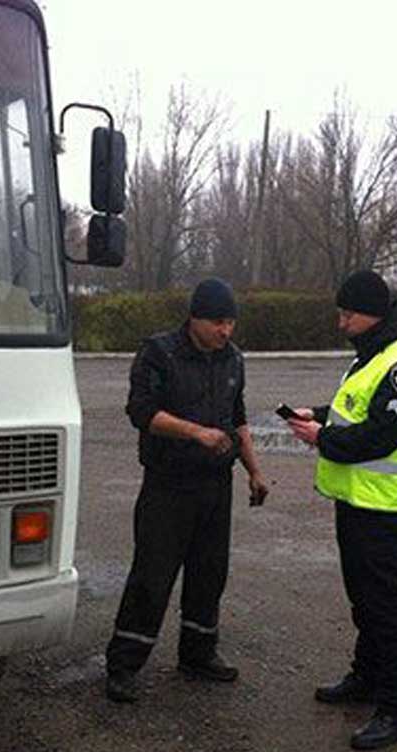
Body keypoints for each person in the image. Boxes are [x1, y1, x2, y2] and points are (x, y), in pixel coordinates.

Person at [284, 269, 397, 751]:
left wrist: (322, 438)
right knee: (364, 599)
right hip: (357, 498)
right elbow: (360, 410)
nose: (341, 322)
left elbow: (382, 434)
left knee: (385, 605)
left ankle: (396, 708)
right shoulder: (375, 352)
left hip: (381, 504)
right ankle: (366, 678)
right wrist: (320, 415)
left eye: (347, 314)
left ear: (371, 313)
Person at [104, 277, 269, 703]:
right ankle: (123, 665)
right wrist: (194, 432)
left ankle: (198, 653)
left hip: (216, 485)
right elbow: (140, 412)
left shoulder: (233, 359)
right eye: (218, 322)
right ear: (194, 318)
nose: (226, 331)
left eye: (231, 322)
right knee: (152, 576)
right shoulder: (159, 352)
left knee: (209, 573)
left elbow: (239, 417)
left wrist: (254, 470)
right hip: (168, 485)